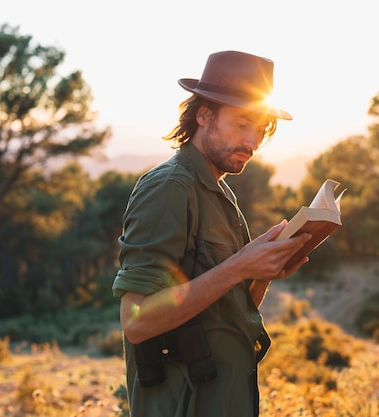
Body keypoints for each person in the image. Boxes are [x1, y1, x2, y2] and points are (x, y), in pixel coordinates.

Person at [112, 50, 312, 417]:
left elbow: (224, 312)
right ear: (204, 114)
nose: (253, 140)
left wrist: (261, 274)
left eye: (262, 129)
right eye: (242, 124)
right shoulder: (170, 188)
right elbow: (137, 321)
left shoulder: (219, 191)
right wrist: (238, 266)